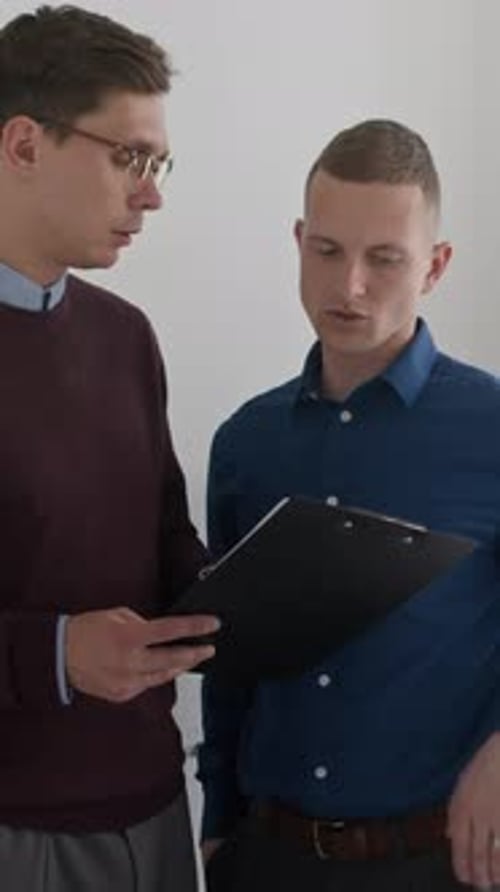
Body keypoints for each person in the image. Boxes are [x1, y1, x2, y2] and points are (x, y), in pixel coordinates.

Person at [198, 118, 500, 891]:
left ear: (435, 266)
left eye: (384, 259)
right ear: (298, 240)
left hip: (440, 864)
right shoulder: (244, 443)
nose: (349, 285)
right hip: (267, 857)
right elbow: (226, 659)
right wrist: (217, 830)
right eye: (327, 251)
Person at [0, 5, 220, 890]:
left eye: (158, 162)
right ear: (22, 146)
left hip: (155, 811)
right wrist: (54, 654)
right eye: (129, 155)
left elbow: (164, 540)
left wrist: (255, 592)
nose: (153, 192)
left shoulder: (126, 336)